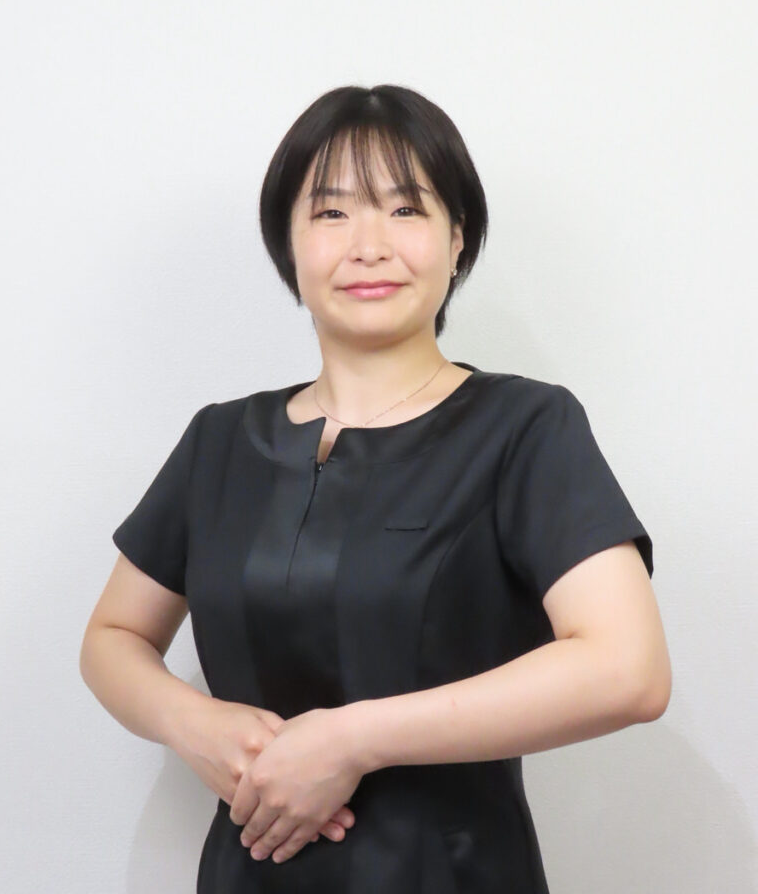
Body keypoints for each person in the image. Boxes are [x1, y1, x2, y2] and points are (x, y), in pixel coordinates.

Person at [80, 84, 671, 893]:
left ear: (456, 240)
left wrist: (353, 740)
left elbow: (629, 669)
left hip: (453, 874)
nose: (369, 246)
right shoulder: (219, 441)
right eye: (331, 213)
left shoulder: (524, 428)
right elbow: (112, 636)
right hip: (250, 871)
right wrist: (193, 724)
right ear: (288, 247)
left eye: (405, 210)